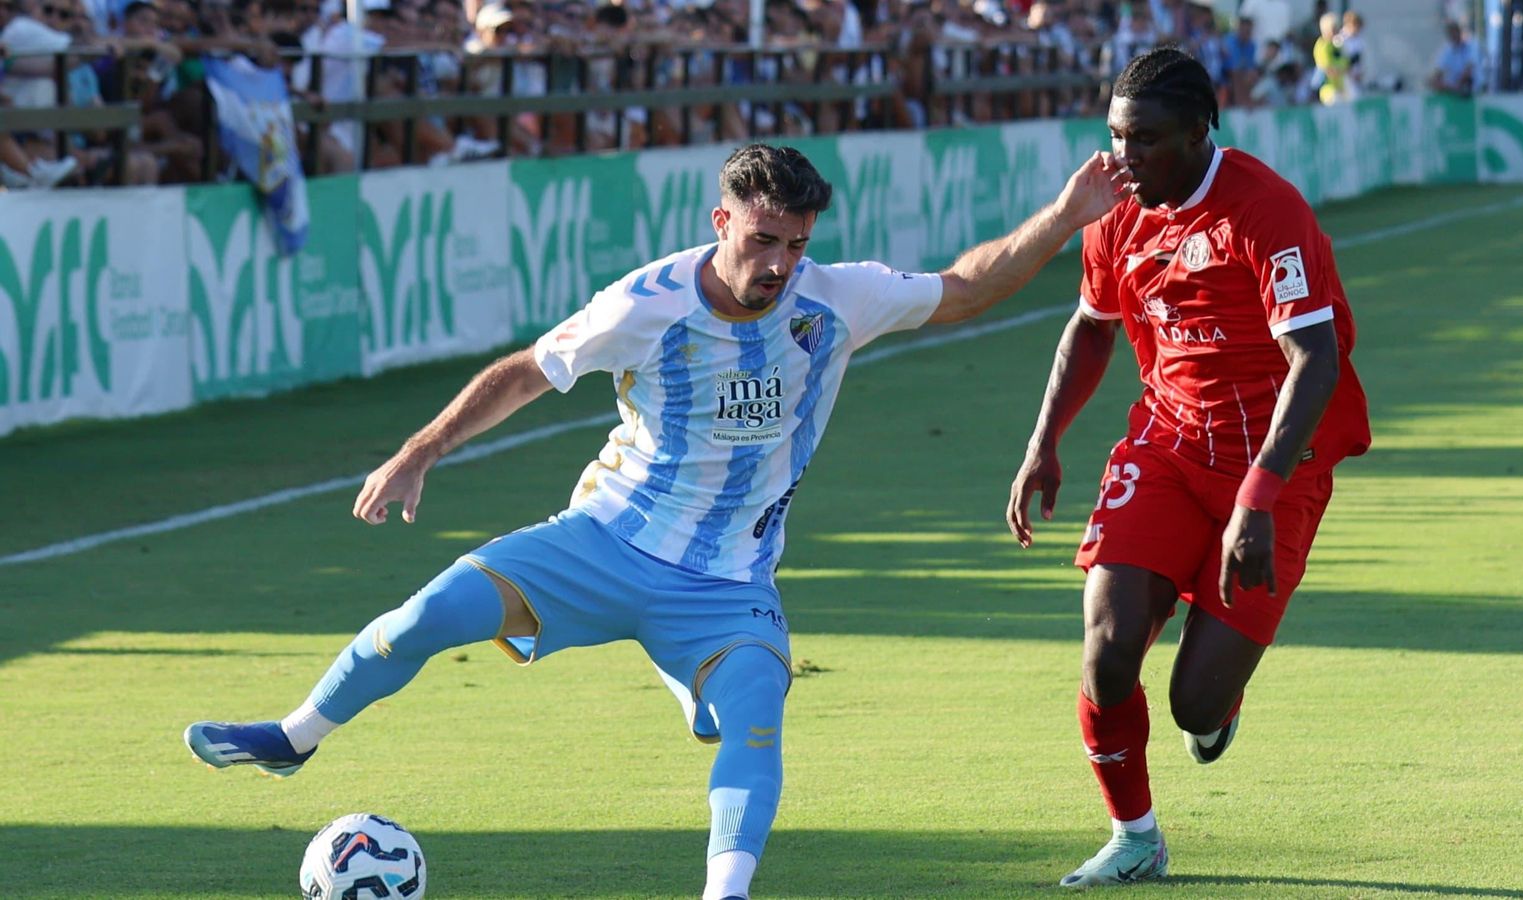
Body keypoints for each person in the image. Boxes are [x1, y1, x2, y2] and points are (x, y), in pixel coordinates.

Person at [185, 142, 1131, 900]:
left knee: (758, 713)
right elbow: (527, 372)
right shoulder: (646, 305)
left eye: (796, 244)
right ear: (722, 222)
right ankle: (293, 737)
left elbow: (965, 287)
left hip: (727, 581)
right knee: (429, 615)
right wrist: (421, 449)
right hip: (602, 543)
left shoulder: (834, 299)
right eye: (763, 240)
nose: (779, 264)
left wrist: (1064, 215)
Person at [1004, 47, 1370, 888]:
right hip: (1168, 443)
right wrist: (1043, 441)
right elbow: (1092, 324)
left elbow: (1315, 358)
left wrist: (1259, 496)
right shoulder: (1116, 207)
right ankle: (1135, 837)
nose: (1123, 157)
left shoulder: (1264, 209)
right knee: (1107, 649)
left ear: (1201, 130)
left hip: (1279, 462)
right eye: (1115, 135)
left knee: (1192, 704)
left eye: (1145, 139)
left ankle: (1217, 702)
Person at [1430, 20, 1476, 97]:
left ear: (1460, 33)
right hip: (1455, 91)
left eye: (1455, 32)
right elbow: (1438, 72)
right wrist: (1436, 81)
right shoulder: (1447, 51)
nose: (1454, 36)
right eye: (1451, 34)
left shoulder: (1472, 47)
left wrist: (1455, 86)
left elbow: (1468, 71)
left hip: (1472, 92)